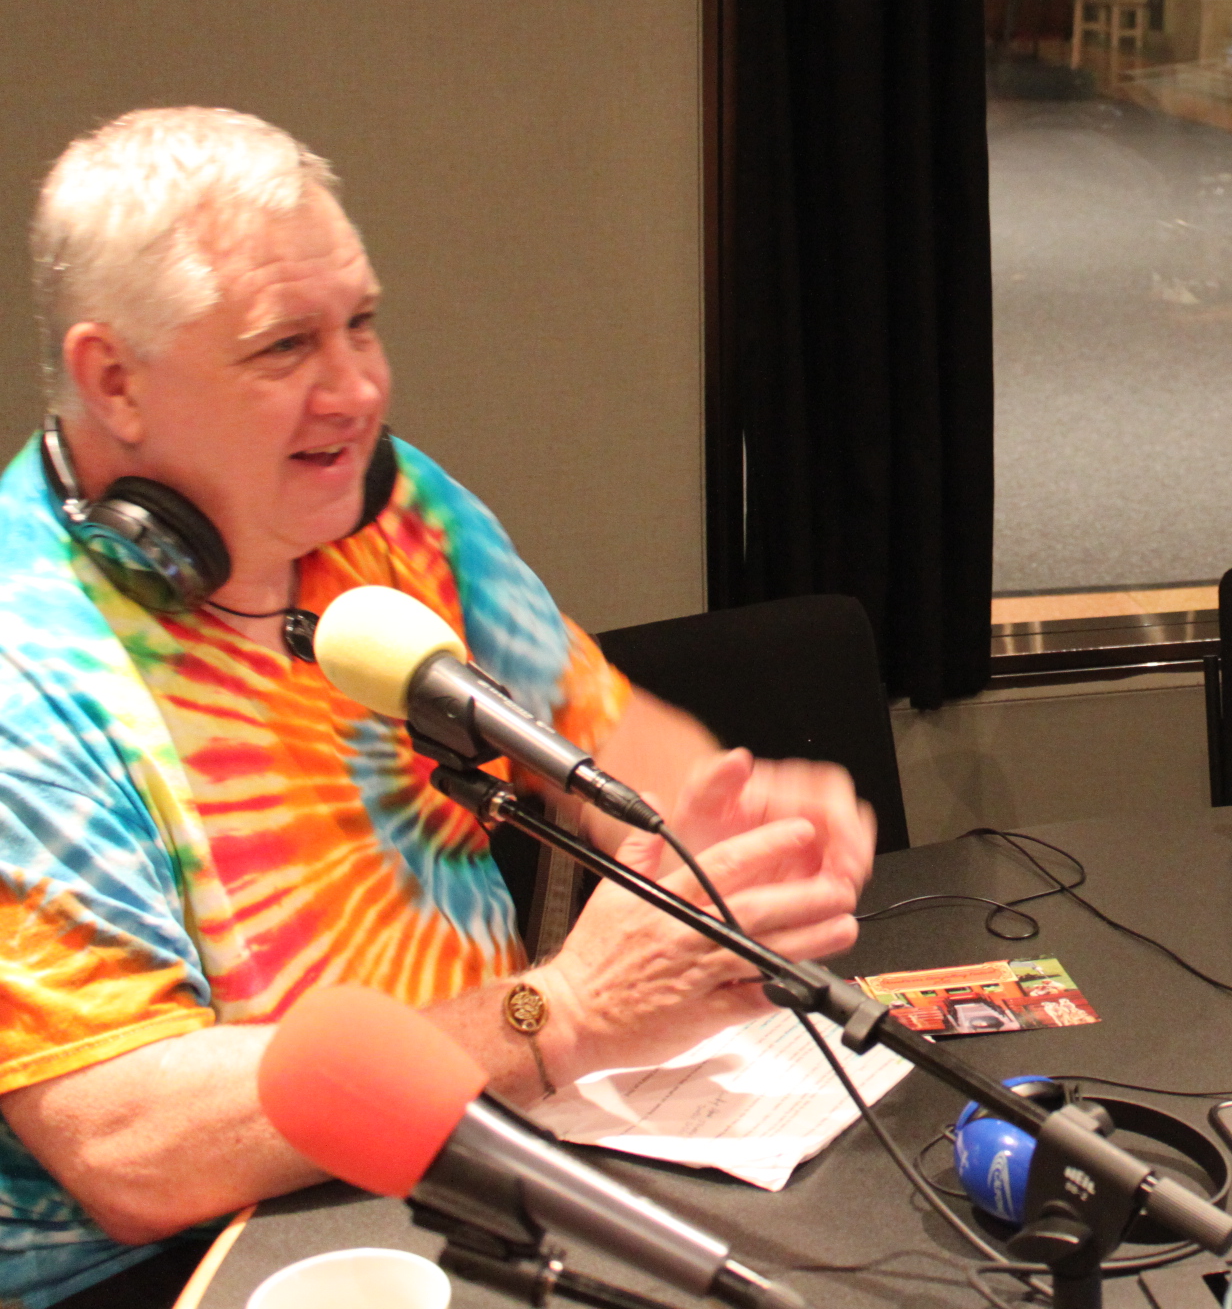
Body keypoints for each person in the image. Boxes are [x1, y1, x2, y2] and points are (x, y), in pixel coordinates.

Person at [0, 109, 878, 1308]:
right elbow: (127, 1142)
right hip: (191, 1262)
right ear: (116, 380)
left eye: (360, 322)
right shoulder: (27, 656)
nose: (357, 389)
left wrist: (732, 833)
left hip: (488, 1156)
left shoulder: (390, 505)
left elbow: (614, 749)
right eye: (283, 347)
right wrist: (559, 1011)